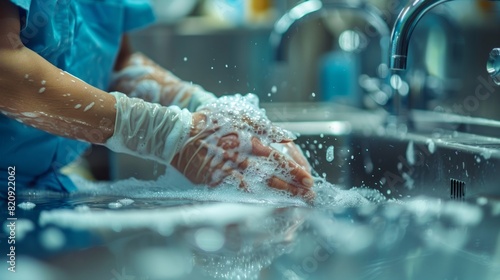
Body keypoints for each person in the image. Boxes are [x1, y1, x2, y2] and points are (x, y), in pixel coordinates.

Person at [0, 0, 314, 200]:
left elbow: (117, 62)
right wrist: (168, 134)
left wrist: (204, 109)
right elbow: (5, 68)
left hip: (40, 190)